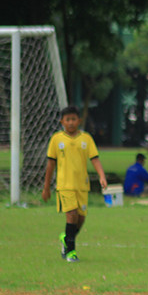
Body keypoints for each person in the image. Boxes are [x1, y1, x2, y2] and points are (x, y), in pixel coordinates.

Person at [42, 105, 107, 263]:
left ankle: (66, 238)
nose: (70, 122)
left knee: (80, 219)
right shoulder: (56, 139)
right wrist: (46, 187)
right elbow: (50, 164)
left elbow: (95, 158)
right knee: (71, 215)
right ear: (62, 121)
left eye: (73, 119)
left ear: (79, 120)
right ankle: (71, 252)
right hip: (64, 185)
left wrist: (102, 176)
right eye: (67, 119)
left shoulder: (86, 139)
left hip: (82, 186)